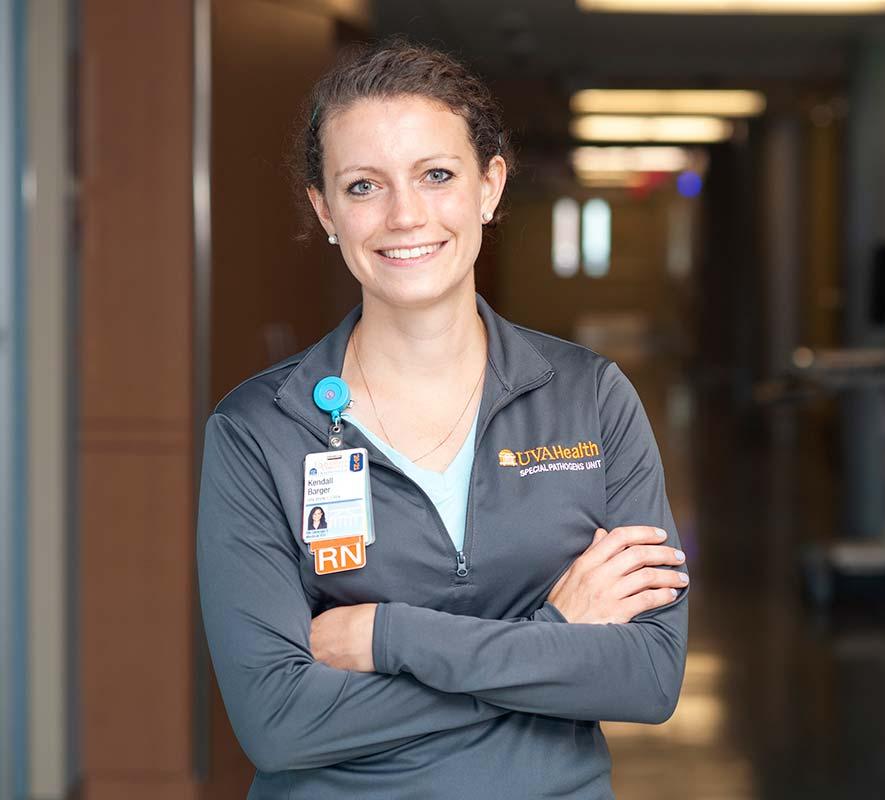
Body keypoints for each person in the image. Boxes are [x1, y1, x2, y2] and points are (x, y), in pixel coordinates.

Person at [196, 37, 690, 799]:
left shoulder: (589, 398)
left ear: (489, 187)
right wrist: (554, 643)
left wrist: (390, 637)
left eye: (436, 175)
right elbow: (279, 720)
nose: (404, 216)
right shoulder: (261, 429)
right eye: (364, 186)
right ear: (325, 210)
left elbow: (648, 678)